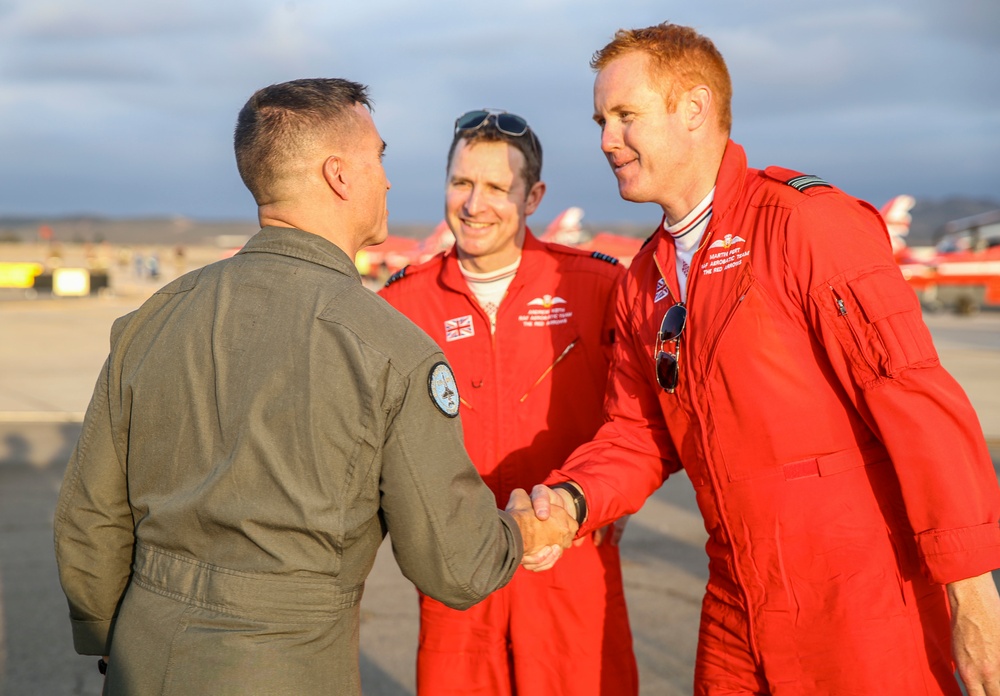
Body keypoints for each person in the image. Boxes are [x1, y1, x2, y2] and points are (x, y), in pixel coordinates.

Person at [52, 78, 575, 696]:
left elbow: (88, 519)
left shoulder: (151, 320)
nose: (386, 179)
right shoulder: (393, 351)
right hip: (290, 667)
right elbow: (454, 564)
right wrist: (527, 530)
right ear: (338, 176)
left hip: (143, 660)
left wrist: (114, 639)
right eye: (377, 157)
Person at [527, 22, 1000, 696]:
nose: (605, 139)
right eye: (602, 119)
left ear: (693, 110)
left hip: (861, 603)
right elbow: (637, 433)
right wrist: (573, 501)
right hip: (737, 598)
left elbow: (915, 399)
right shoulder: (644, 281)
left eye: (625, 116)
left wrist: (974, 593)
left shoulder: (805, 226)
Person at [379, 109, 638, 695]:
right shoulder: (403, 306)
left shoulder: (597, 288)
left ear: (533, 195)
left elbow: (644, 420)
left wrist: (606, 505)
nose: (474, 204)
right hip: (460, 575)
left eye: (497, 187)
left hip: (574, 565)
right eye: (461, 183)